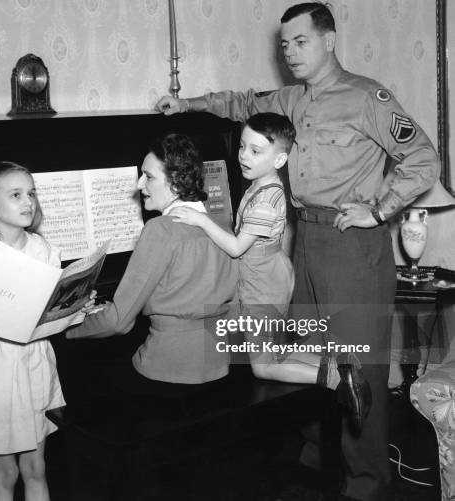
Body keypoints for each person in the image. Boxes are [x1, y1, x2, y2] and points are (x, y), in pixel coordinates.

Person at [155, 3, 439, 501]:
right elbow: (243, 101)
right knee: (308, 354)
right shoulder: (289, 99)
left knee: (357, 365)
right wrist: (189, 103)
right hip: (303, 241)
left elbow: (422, 158)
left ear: (329, 40)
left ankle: (367, 484)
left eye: (300, 41)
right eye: (284, 44)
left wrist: (380, 210)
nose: (289, 52)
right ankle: (319, 464)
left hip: (353, 245)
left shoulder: (366, 96)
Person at [171, 112, 370, 428]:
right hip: (265, 279)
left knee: (263, 367)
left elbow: (237, 247)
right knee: (271, 350)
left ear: (280, 159)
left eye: (255, 151)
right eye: (242, 147)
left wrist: (200, 220)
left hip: (261, 287)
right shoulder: (261, 186)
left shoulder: (267, 199)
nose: (243, 157)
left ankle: (335, 377)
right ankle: (340, 364)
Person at [0, 161, 89, 501]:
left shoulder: (44, 251)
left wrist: (76, 305)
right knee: (5, 472)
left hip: (34, 363)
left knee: (36, 467)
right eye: (16, 195)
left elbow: (50, 316)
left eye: (31, 193)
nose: (29, 202)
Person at [66, 133, 238, 388]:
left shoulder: (160, 230)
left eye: (148, 176)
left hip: (167, 368)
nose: (138, 184)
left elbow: (118, 322)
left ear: (176, 183)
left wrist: (67, 329)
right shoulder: (223, 225)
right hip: (220, 365)